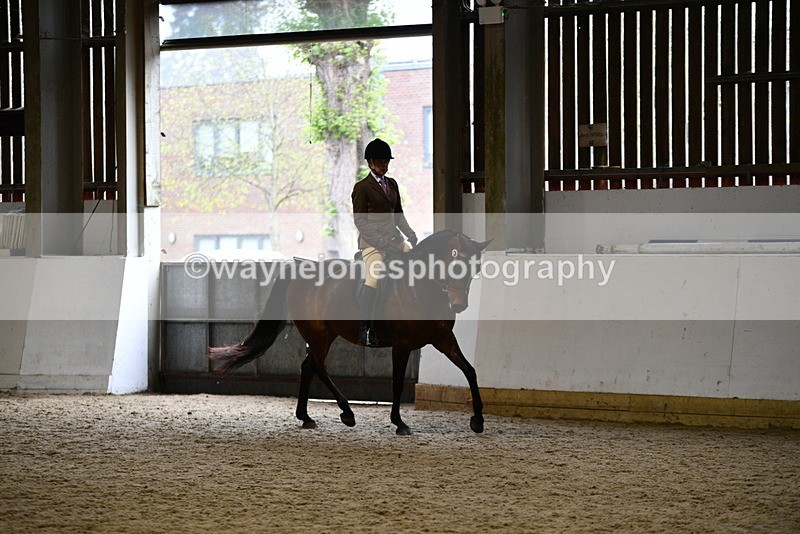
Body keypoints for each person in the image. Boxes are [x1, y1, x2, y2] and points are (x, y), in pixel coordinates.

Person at [351, 138, 417, 346]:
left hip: (394, 239)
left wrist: (410, 234)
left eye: (387, 161)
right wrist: (379, 240)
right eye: (380, 162)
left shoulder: (392, 184)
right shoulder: (362, 187)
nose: (384, 165)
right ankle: (366, 328)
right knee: (374, 277)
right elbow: (360, 220)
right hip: (372, 244)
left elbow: (398, 215)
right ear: (370, 163)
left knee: (417, 263)